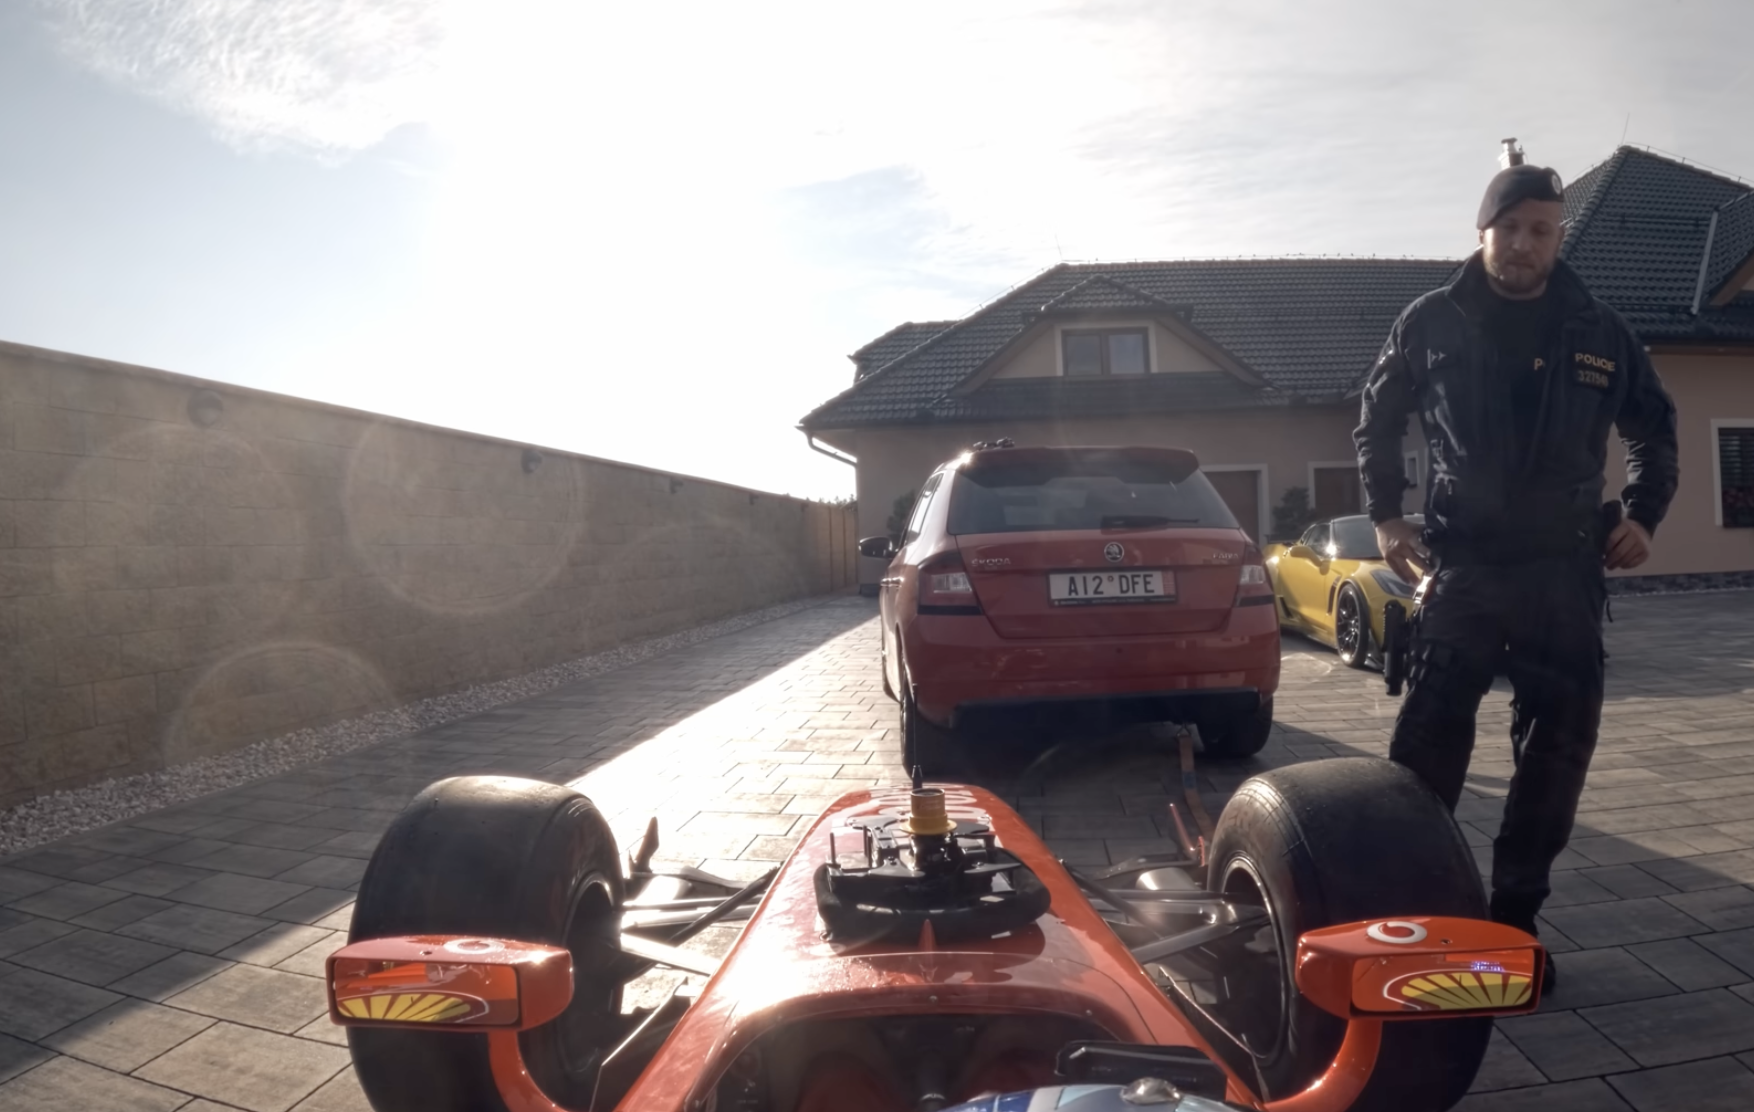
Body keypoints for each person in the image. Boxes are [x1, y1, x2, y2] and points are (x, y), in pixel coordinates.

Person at [1353, 155, 1679, 982]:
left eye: (1542, 230)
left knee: (1557, 753)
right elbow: (1376, 420)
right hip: (1463, 569)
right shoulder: (1430, 321)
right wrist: (1386, 514)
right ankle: (1424, 918)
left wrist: (1644, 515)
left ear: (1559, 237)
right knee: (1426, 746)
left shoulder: (1600, 330)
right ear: (1482, 231)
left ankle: (1514, 922)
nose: (1525, 243)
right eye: (1510, 227)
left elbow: (1654, 429)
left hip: (1564, 574)